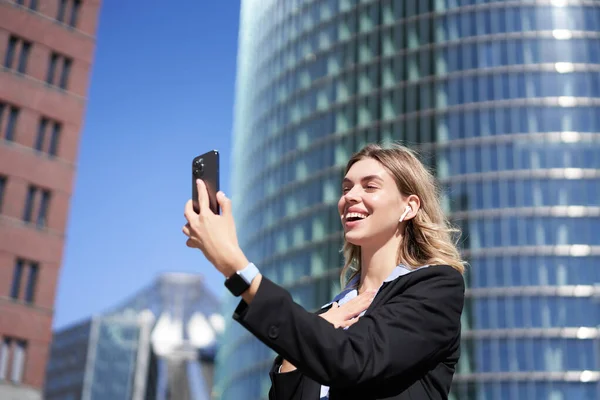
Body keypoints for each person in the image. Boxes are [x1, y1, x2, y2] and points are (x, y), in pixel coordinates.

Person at [183, 143, 466, 399]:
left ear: (409, 207)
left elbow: (354, 360)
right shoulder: (326, 318)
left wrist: (236, 267)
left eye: (370, 186)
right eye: (346, 188)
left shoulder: (437, 287)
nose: (350, 197)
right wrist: (297, 352)